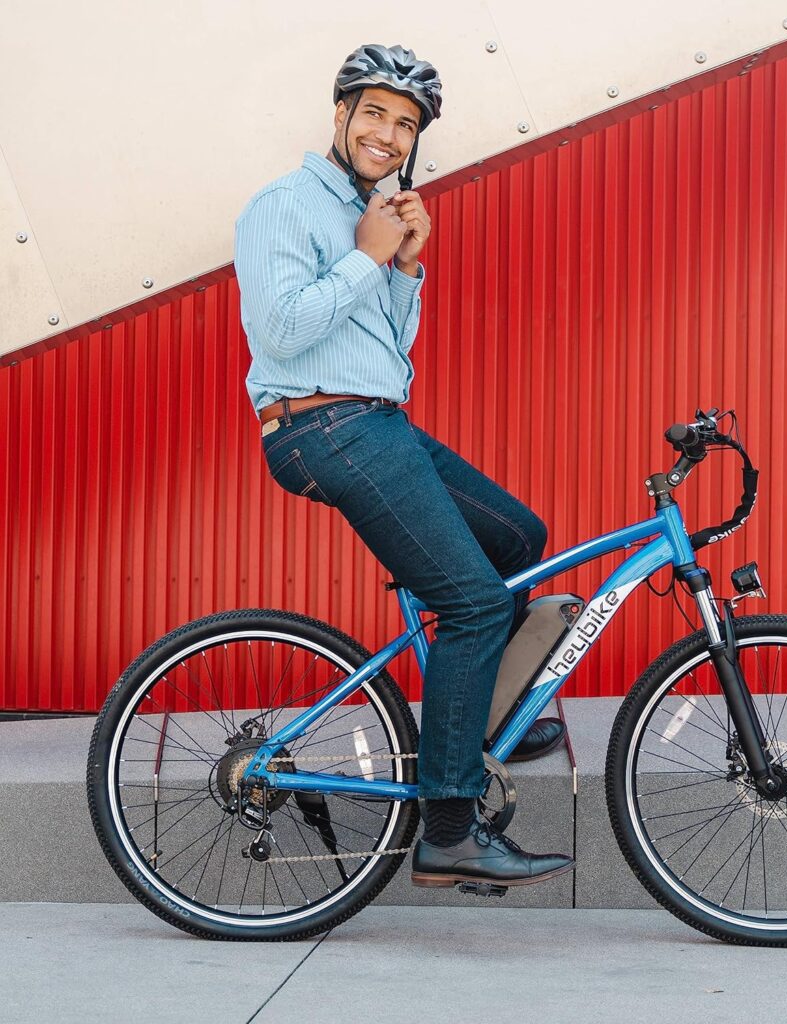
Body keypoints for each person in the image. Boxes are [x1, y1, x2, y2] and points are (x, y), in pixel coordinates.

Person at [233, 44, 574, 889]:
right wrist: (369, 254)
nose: (390, 134)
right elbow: (280, 331)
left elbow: (388, 349)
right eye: (377, 113)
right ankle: (449, 832)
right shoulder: (284, 204)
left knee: (517, 535)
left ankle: (476, 712)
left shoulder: (370, 210)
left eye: (407, 124)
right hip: (321, 424)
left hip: (374, 414)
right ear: (342, 113)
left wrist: (407, 267)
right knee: (471, 606)